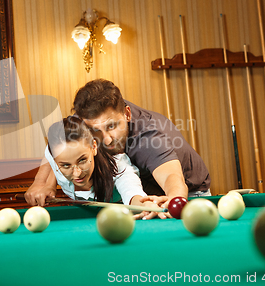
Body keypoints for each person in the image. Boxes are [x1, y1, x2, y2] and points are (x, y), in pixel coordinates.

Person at [26, 79, 210, 219]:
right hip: (143, 195)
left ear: (127, 114)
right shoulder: (86, 118)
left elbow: (172, 177)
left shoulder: (148, 137)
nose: (106, 139)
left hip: (187, 191)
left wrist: (175, 199)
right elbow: (59, 140)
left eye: (112, 126)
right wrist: (42, 183)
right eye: (95, 130)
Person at [42, 116, 159, 219]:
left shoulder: (118, 167)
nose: (77, 174)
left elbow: (132, 193)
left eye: (82, 160)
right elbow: (50, 153)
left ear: (94, 147)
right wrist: (45, 184)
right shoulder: (53, 152)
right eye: (66, 165)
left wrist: (145, 205)